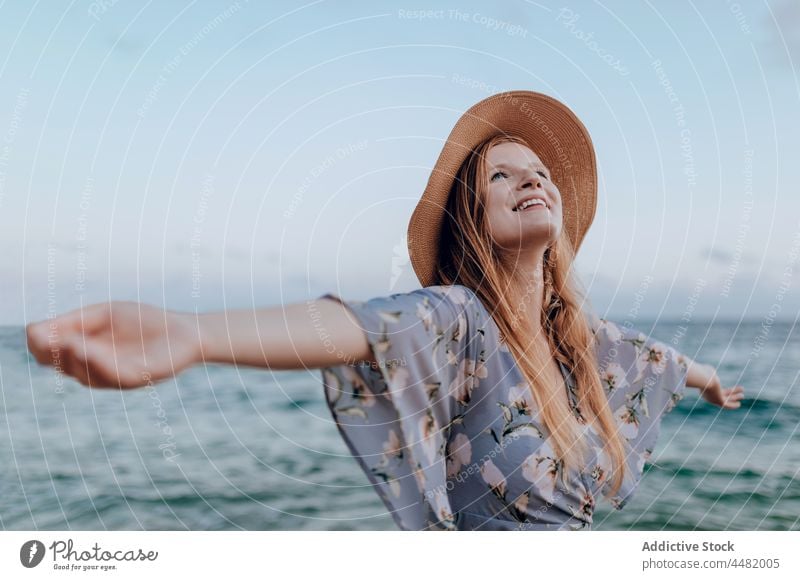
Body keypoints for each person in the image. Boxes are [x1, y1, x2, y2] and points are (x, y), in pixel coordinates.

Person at [26, 90, 744, 531]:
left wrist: (713, 384)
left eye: (541, 172)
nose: (530, 179)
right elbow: (359, 327)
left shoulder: (584, 345)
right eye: (503, 174)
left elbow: (668, 363)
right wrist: (194, 335)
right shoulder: (460, 321)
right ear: (473, 215)